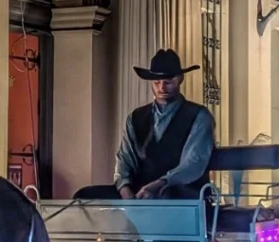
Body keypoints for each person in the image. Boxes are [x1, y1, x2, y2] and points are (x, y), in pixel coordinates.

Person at [71, 49, 213, 200]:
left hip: (181, 193)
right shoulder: (136, 117)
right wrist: (125, 191)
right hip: (140, 193)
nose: (162, 88)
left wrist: (159, 184)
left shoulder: (199, 116)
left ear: (179, 79)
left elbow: (192, 164)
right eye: (157, 82)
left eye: (168, 82)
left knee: (165, 195)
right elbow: (124, 160)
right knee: (84, 196)